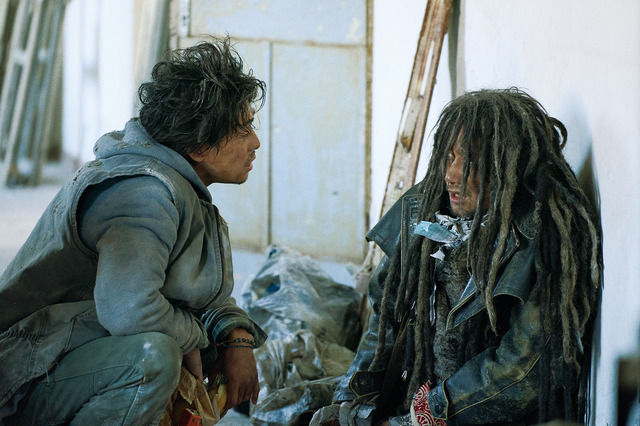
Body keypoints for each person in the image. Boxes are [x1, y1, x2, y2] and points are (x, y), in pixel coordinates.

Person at [0, 37, 268, 425]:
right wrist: (193, 339)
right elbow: (129, 309)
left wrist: (236, 338)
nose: (255, 142)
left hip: (65, 355)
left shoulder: (178, 185)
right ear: (198, 145)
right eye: (242, 130)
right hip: (23, 376)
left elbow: (197, 289)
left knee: (199, 344)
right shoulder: (144, 194)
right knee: (153, 358)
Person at [312, 88, 602, 425]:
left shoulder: (543, 239)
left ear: (509, 166)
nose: (451, 175)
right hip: (412, 406)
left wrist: (427, 415)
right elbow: (386, 316)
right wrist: (352, 399)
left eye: (471, 162)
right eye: (449, 157)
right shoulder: (424, 209)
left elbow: (523, 370)